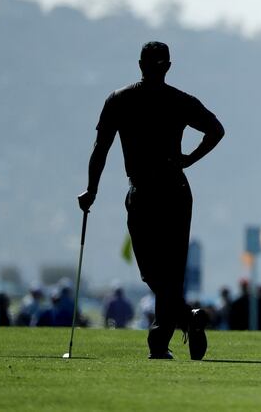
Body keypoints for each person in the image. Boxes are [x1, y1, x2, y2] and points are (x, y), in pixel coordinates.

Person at [78, 41, 225, 360]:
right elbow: (216, 130)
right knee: (170, 272)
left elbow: (100, 148)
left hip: (143, 190)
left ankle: (161, 343)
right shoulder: (179, 100)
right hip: (175, 188)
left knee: (152, 271)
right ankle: (183, 322)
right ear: (168, 66)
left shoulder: (119, 99)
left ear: (140, 64)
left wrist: (92, 190)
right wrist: (190, 159)